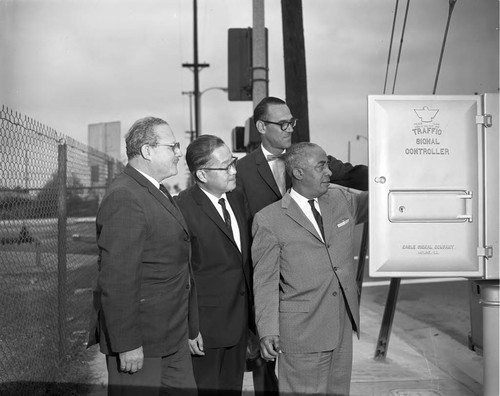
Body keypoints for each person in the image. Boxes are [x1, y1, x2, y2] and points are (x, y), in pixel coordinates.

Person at [235, 96, 368, 394]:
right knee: (269, 380)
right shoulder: (242, 173)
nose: (289, 128)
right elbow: (247, 250)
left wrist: (388, 177)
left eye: (291, 122)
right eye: (282, 123)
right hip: (281, 297)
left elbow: (353, 177)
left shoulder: (313, 159)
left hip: (329, 310)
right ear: (261, 126)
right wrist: (260, 322)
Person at [88, 116, 198, 396]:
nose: (178, 152)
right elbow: (118, 278)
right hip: (141, 344)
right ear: (147, 151)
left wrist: (189, 327)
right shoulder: (125, 196)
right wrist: (126, 343)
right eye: (172, 146)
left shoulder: (153, 190)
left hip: (171, 337)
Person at [175, 135, 253, 395]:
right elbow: (181, 273)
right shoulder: (181, 209)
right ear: (202, 175)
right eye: (226, 166)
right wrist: (190, 327)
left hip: (239, 324)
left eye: (234, 162)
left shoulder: (238, 199)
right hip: (205, 331)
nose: (233, 171)